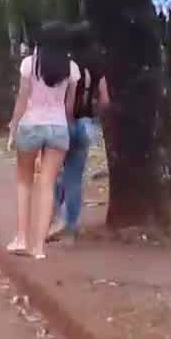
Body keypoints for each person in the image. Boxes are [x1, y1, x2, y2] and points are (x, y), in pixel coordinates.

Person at [7, 24, 78, 261]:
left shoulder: (29, 64)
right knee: (47, 184)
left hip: (31, 124)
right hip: (58, 128)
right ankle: (39, 247)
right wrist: (65, 125)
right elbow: (69, 106)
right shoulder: (72, 69)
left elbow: (22, 99)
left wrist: (13, 126)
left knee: (24, 181)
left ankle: (21, 238)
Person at [49, 27, 111, 243]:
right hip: (85, 125)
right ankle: (71, 228)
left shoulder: (65, 67)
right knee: (74, 178)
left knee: (53, 175)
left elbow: (64, 103)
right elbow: (105, 100)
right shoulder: (97, 67)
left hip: (64, 124)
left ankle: (54, 220)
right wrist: (93, 114)